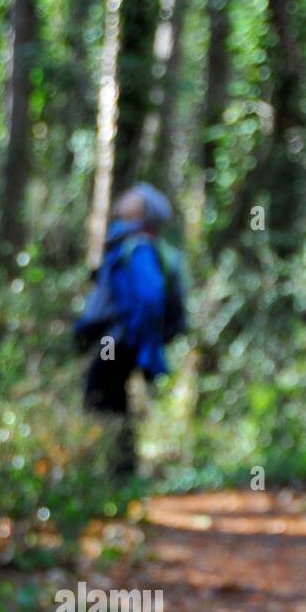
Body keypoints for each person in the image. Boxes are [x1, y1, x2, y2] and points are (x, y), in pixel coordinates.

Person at [74, 183, 186, 478]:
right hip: (118, 337)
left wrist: (129, 338)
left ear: (144, 211)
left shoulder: (138, 247)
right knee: (113, 399)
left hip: (117, 339)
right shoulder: (126, 242)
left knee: (99, 396)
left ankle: (114, 473)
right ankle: (118, 472)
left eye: (134, 196)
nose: (126, 196)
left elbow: (149, 299)